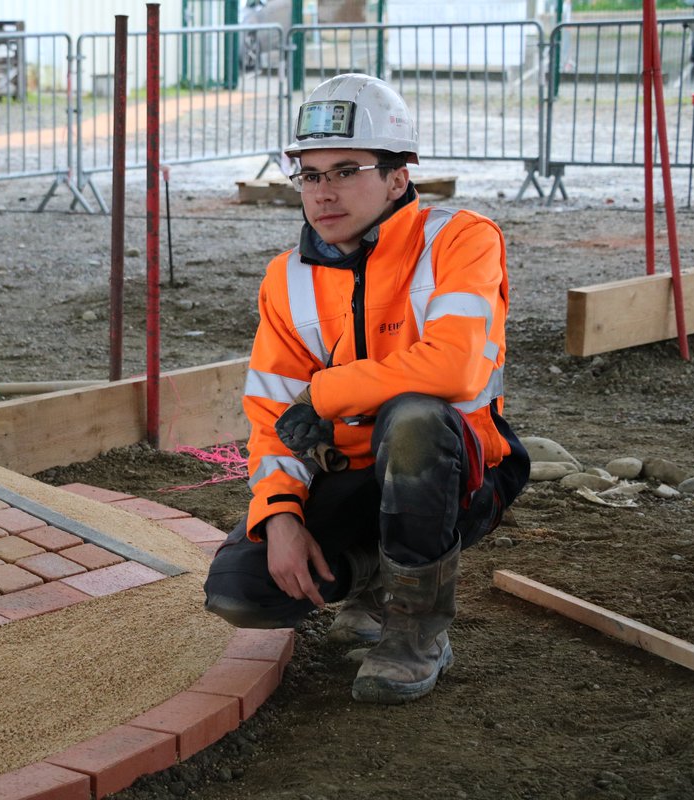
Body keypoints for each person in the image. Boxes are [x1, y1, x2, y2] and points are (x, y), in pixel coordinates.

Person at [203, 73, 530, 705]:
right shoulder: (287, 278)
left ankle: (415, 634)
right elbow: (272, 414)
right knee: (242, 590)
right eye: (310, 173)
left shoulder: (461, 241)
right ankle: (378, 578)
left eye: (346, 170)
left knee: (412, 420)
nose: (323, 192)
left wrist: (325, 395)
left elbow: (454, 370)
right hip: (354, 477)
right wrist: (279, 514)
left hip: (463, 474)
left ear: (398, 177)